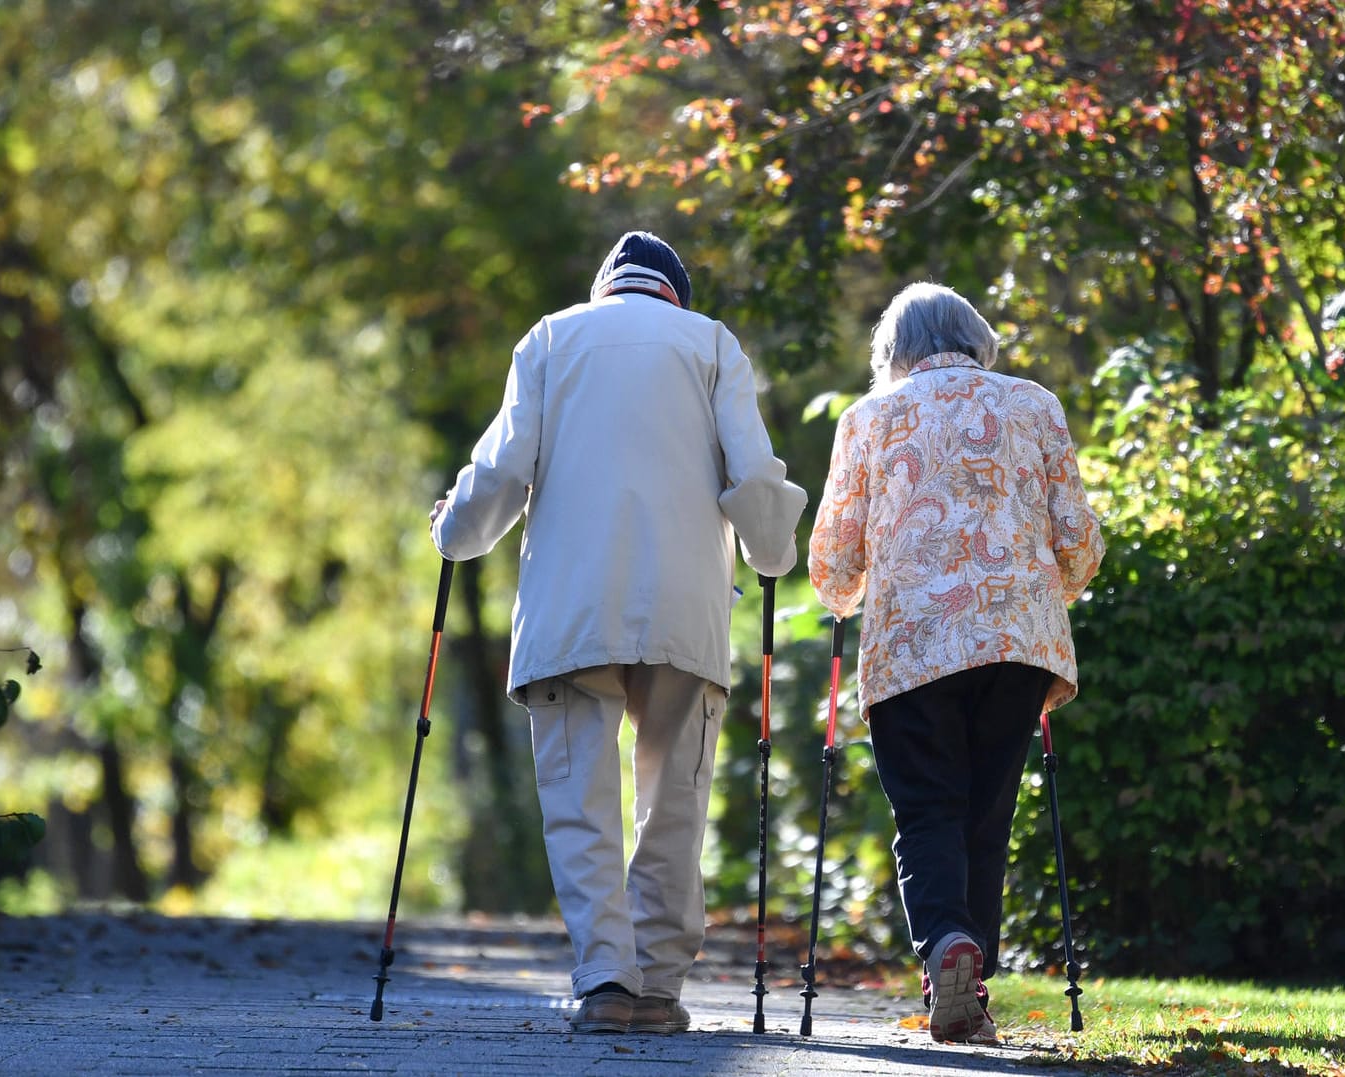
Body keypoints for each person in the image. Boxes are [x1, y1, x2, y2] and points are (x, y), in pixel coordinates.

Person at [428, 231, 806, 1035]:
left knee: (579, 796)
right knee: (675, 794)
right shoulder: (709, 344)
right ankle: (660, 986)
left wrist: (452, 534)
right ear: (676, 293)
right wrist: (774, 551)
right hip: (684, 602)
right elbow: (751, 470)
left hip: (573, 602)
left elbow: (499, 471)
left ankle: (605, 979)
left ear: (606, 288)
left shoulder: (550, 337)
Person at [807, 281, 1103, 1045]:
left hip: (912, 643)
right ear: (976, 337)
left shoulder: (868, 417)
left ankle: (948, 948)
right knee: (986, 809)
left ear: (891, 352)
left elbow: (835, 560)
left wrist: (844, 595)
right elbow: (1076, 537)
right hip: (1017, 641)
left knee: (927, 807)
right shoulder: (1033, 403)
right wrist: (1048, 586)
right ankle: (971, 983)